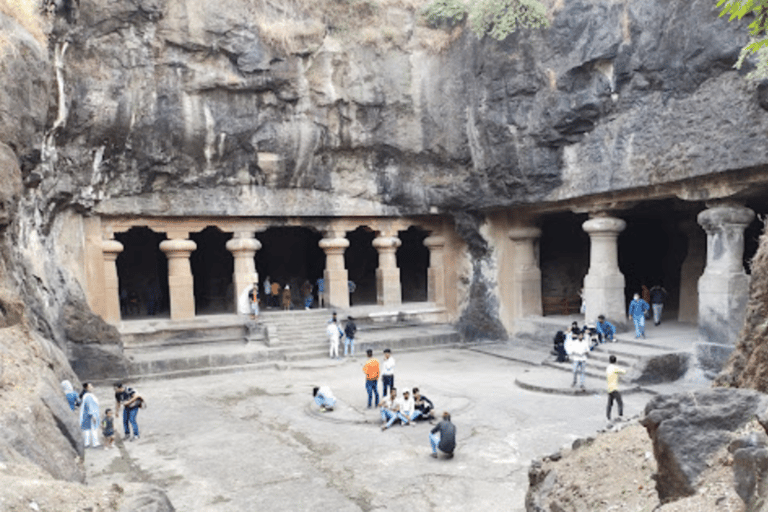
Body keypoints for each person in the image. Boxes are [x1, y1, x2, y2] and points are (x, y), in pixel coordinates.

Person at [606, 355, 627, 421]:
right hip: (614, 388)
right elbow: (624, 371)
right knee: (620, 403)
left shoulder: (608, 368)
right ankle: (620, 416)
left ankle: (608, 417)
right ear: (615, 361)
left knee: (610, 404)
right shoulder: (615, 368)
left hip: (609, 388)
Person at [79, 382, 100, 448]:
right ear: (87, 388)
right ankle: (95, 443)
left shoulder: (86, 395)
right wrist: (93, 415)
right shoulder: (89, 396)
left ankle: (87, 443)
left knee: (87, 429)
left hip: (86, 414)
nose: (92, 387)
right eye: (90, 386)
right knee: (93, 429)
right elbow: (90, 406)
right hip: (91, 415)